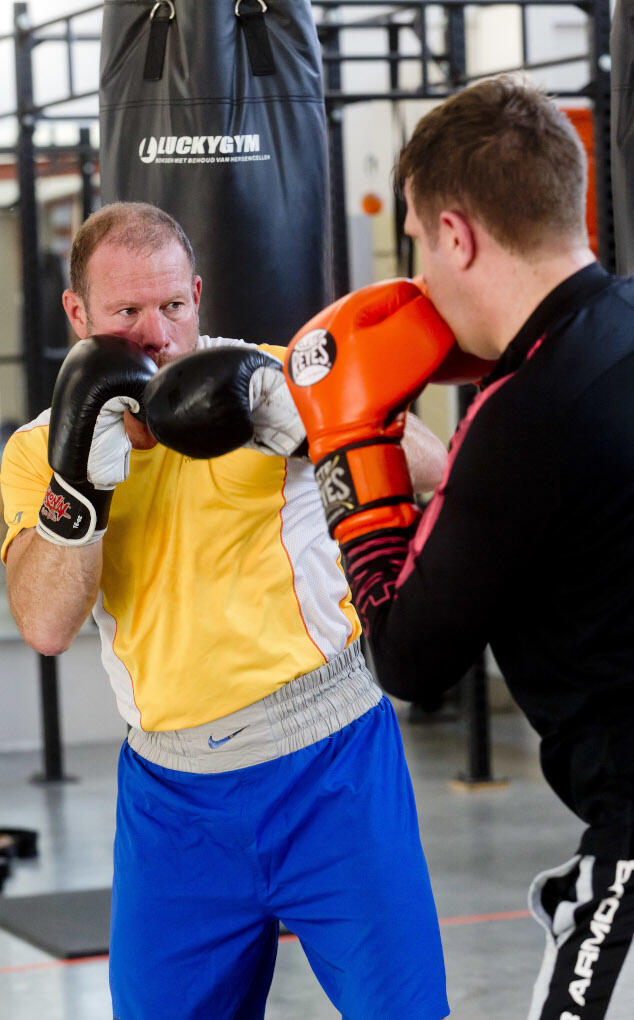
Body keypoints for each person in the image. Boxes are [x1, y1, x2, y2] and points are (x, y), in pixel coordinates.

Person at [284, 74, 634, 1019]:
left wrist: (354, 455)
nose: (420, 272)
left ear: (457, 234)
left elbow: (410, 656)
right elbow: (583, 496)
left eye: (419, 240)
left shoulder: (520, 417)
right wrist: (447, 472)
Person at [0, 201, 451, 1019]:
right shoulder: (40, 449)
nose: (156, 336)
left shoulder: (269, 378)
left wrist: (318, 424)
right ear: (78, 315)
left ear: (199, 294)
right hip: (174, 803)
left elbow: (432, 468)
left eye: (173, 307)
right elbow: (44, 624)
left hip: (333, 768)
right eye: (126, 314)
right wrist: (79, 491)